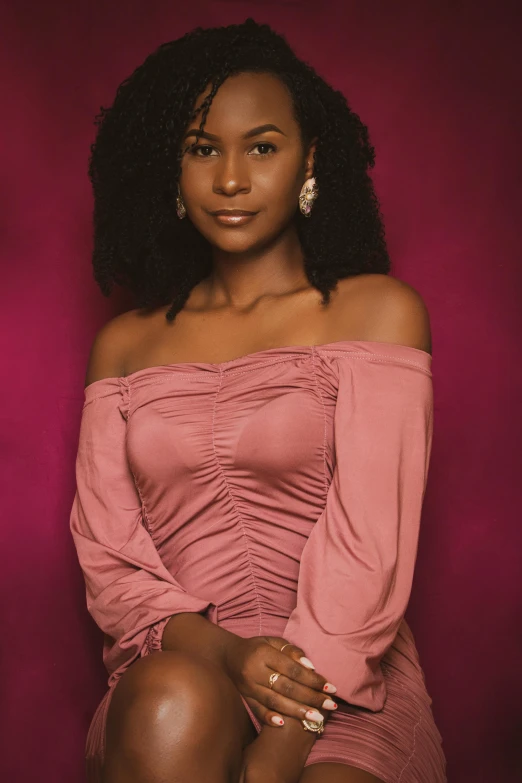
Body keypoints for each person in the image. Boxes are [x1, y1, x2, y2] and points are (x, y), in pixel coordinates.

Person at [70, 17, 447, 783]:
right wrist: (229, 653)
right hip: (181, 664)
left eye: (262, 147)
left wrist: (278, 746)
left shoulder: (378, 313)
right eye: (203, 149)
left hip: (347, 681)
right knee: (172, 706)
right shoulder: (124, 347)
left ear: (310, 160)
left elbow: (369, 547)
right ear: (172, 171)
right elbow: (110, 564)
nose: (231, 179)